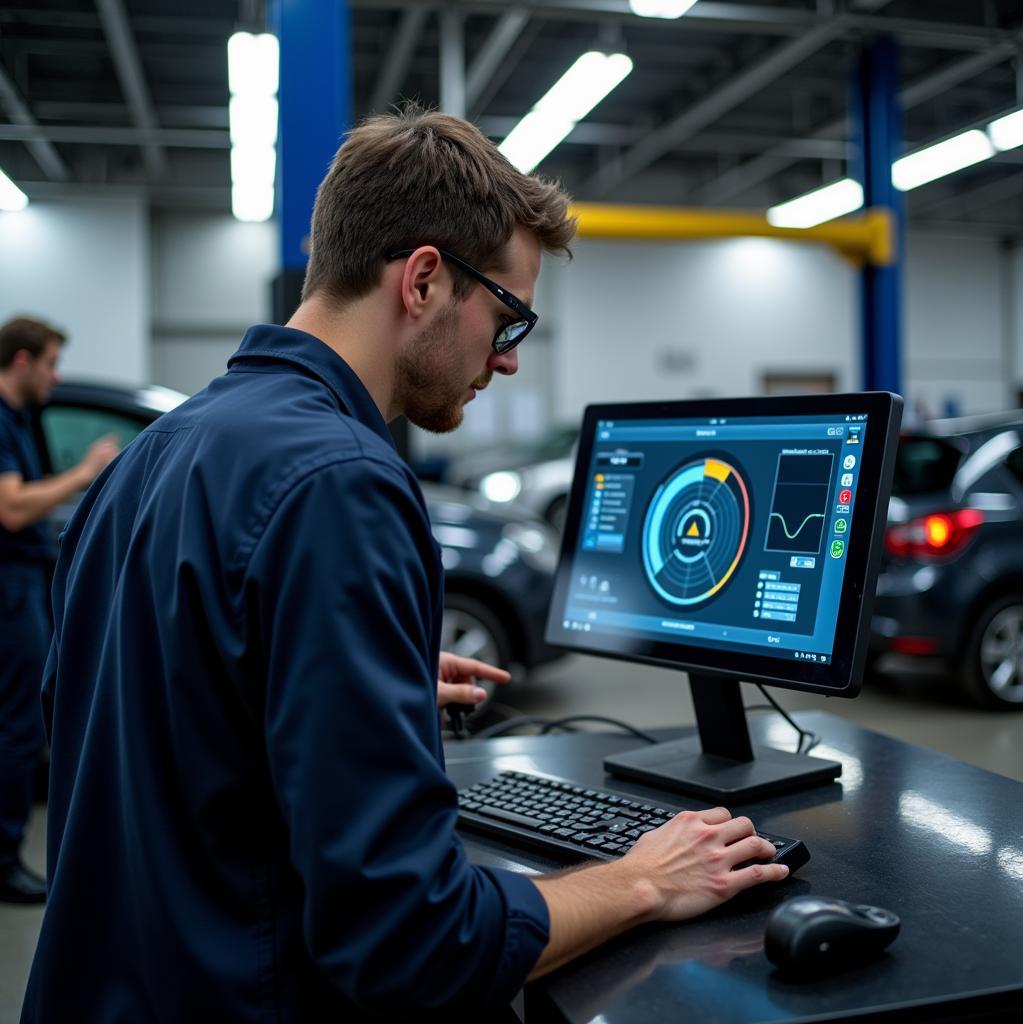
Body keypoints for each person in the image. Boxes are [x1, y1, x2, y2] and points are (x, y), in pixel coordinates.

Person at [21, 108, 788, 1021]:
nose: (506, 363)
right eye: (509, 318)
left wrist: (336, 686)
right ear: (424, 280)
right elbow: (411, 940)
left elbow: (126, 712)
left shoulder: (161, 448)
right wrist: (641, 881)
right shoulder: (341, 482)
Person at [0, 317, 118, 904]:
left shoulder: (18, 420)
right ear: (21, 361)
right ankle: (2, 862)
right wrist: (83, 474)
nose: (56, 374)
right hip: (9, 589)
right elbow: (12, 507)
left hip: (20, 586)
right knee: (17, 731)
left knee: (19, 727)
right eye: (49, 362)